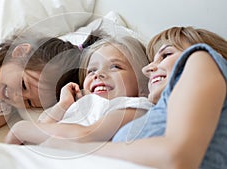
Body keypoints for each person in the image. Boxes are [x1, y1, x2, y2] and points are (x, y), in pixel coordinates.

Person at [41, 26, 227, 169]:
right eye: (152, 61)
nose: (148, 69)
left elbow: (176, 157)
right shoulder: (161, 111)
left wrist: (77, 148)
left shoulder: (203, 58)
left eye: (166, 54)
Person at [4, 36, 153, 145]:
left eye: (115, 67)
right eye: (91, 70)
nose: (98, 74)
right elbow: (40, 126)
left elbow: (86, 136)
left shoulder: (135, 106)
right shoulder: (80, 105)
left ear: (142, 84)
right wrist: (63, 105)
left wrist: (20, 129)